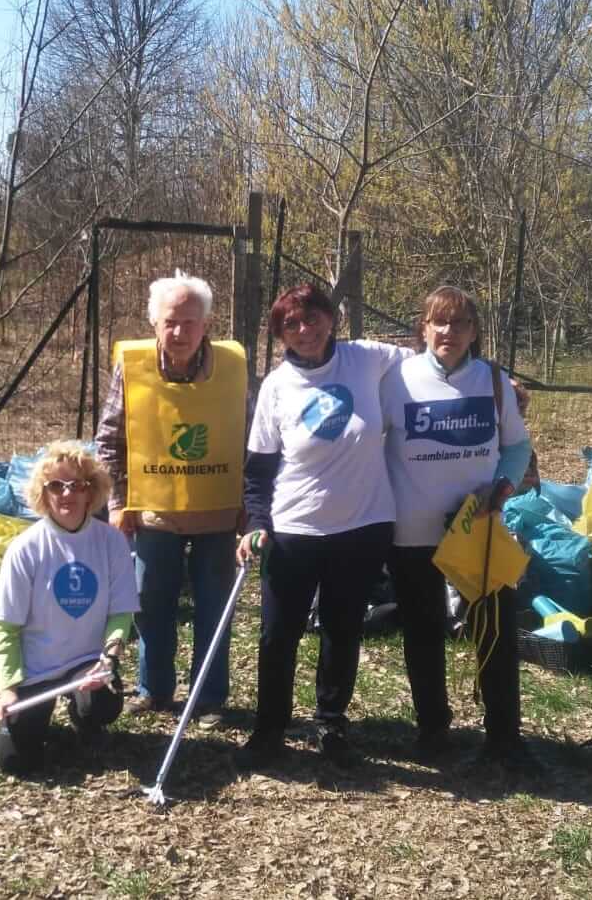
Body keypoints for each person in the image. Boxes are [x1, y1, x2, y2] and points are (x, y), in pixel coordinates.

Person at [236, 283, 405, 769]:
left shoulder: (368, 358)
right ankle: (270, 728)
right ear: (280, 333)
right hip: (293, 531)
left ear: (332, 319)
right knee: (277, 633)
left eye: (313, 318)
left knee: (341, 629)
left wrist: (496, 382)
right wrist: (257, 523)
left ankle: (331, 723)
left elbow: (434, 361)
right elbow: (258, 471)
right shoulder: (275, 387)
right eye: (292, 324)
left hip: (363, 525)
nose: (305, 331)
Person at [380, 285, 534, 771]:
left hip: (479, 531)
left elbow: (516, 447)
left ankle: (504, 736)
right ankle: (432, 729)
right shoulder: (396, 380)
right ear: (423, 327)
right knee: (423, 632)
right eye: (440, 322)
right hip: (413, 529)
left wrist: (503, 487)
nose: (449, 332)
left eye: (461, 323)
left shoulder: (492, 381)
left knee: (495, 632)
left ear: (474, 331)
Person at [95, 270, 247, 729]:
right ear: (153, 323)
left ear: (206, 325)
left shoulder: (233, 368)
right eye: (169, 322)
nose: (179, 332)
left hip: (217, 513)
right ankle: (154, 689)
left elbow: (251, 438)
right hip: (154, 513)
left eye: (189, 322)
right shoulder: (133, 368)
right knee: (151, 604)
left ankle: (210, 697)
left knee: (213, 606)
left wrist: (248, 504)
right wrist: (118, 503)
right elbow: (109, 440)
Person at [0, 441, 139, 773]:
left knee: (102, 703)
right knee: (14, 763)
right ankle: (32, 716)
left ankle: (86, 720)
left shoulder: (112, 542)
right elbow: (5, 626)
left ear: (90, 491)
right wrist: (8, 690)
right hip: (35, 668)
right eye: (56, 485)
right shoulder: (25, 548)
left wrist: (108, 659)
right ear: (44, 492)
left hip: (85, 663)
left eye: (76, 485)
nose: (66, 494)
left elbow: (121, 612)